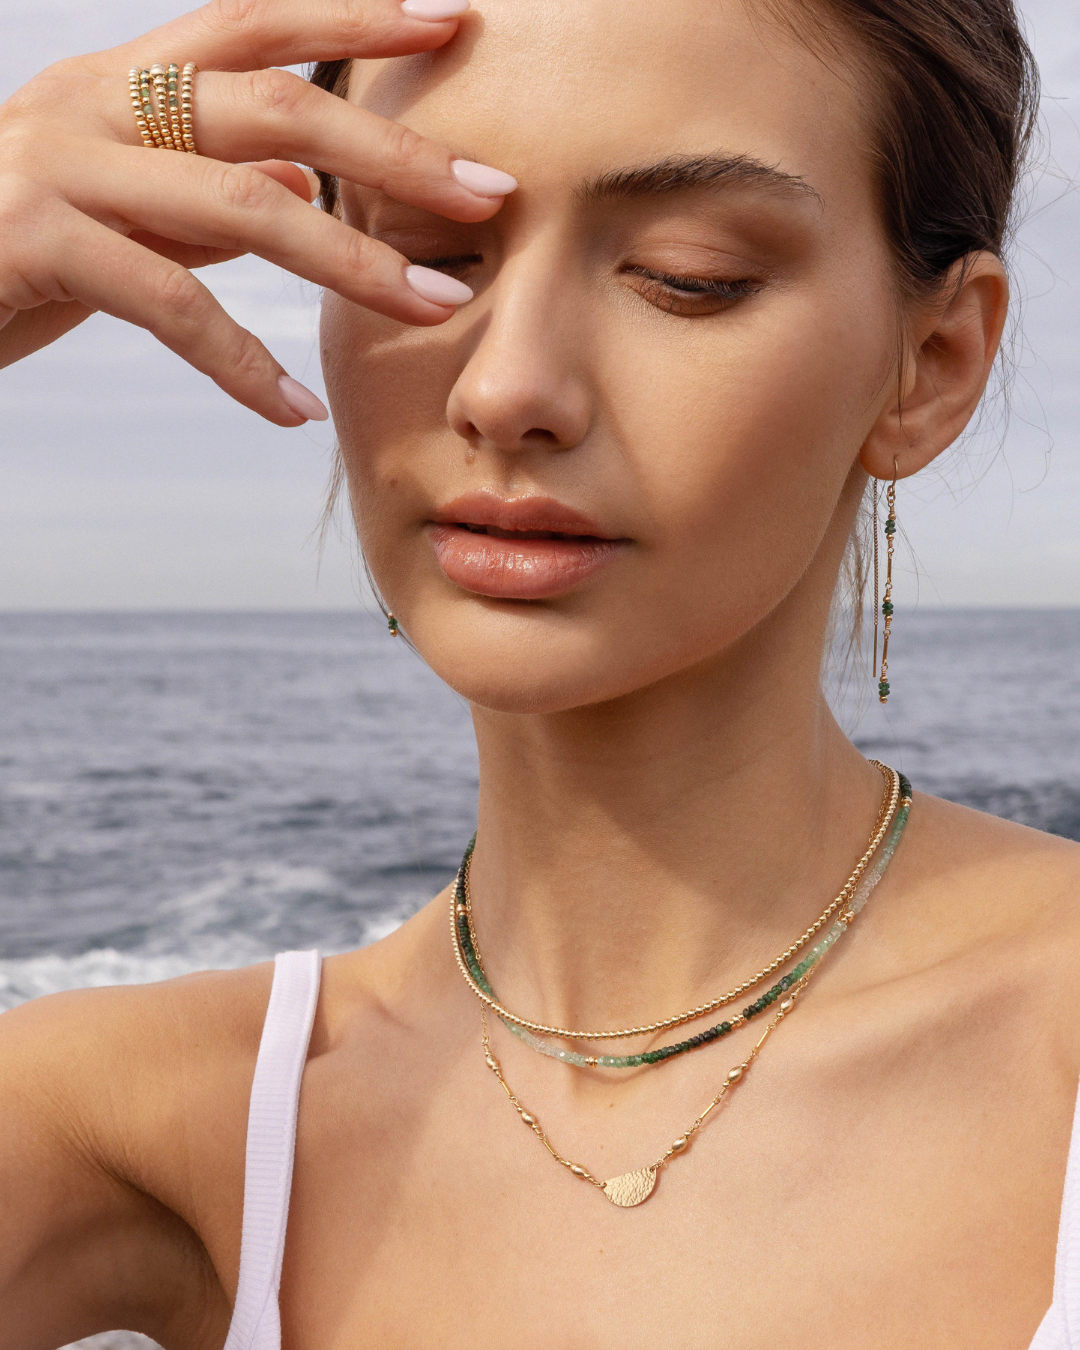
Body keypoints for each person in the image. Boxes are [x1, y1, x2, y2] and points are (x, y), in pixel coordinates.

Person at [0, 0, 1075, 1345]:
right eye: (428, 252)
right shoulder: (154, 1121)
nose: (507, 387)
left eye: (689, 274)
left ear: (931, 361)